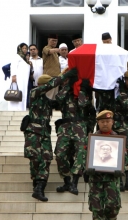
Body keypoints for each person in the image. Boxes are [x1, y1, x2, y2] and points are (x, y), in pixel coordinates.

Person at [22, 69, 77, 202]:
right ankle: (36, 182)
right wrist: (64, 75)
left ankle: (40, 187)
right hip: (33, 131)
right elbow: (51, 84)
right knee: (35, 158)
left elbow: (60, 99)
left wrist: (69, 85)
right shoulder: (34, 92)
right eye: (48, 86)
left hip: (45, 132)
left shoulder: (47, 100)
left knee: (46, 158)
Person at [86, 110, 122, 220]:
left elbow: (127, 156)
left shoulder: (118, 139)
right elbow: (84, 154)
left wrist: (123, 170)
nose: (105, 124)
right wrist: (85, 168)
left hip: (112, 179)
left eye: (108, 121)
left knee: (113, 205)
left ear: (112, 122)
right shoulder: (93, 139)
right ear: (98, 123)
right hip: (95, 178)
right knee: (96, 207)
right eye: (102, 122)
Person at [54, 75, 91, 195]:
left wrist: (81, 89)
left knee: (80, 153)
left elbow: (82, 103)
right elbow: (58, 99)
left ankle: (74, 183)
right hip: (65, 127)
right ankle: (66, 181)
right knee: (60, 154)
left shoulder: (83, 92)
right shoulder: (63, 92)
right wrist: (68, 86)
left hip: (79, 126)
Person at [9, 43, 32, 111]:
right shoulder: (17, 56)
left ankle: (21, 108)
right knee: (16, 93)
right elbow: (13, 66)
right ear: (20, 49)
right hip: (18, 79)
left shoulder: (25, 59)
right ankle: (15, 108)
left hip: (24, 80)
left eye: (26, 48)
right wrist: (13, 76)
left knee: (22, 93)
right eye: (23, 48)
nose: (25, 50)